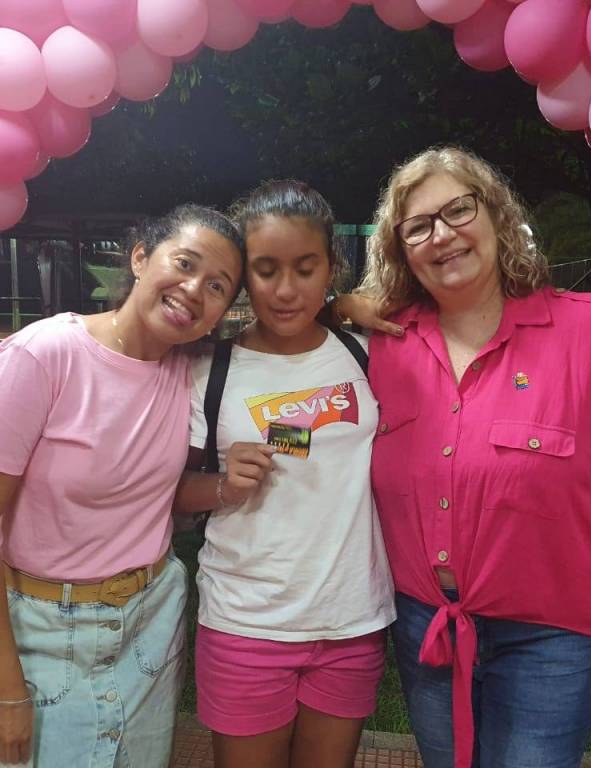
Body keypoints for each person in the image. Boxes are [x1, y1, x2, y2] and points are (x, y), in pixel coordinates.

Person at [335, 146, 591, 768]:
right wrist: (342, 303)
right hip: (427, 628)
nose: (442, 235)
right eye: (418, 227)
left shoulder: (585, 333)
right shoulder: (384, 345)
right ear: (401, 250)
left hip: (551, 642)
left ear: (496, 215)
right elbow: (299, 316)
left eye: (458, 210)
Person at [0, 205, 246, 767]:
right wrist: (7, 688)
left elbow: (154, 490)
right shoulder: (43, 356)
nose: (193, 290)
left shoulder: (189, 371)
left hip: (151, 620)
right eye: (184, 264)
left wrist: (225, 487)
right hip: (44, 631)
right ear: (140, 258)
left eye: (217, 286)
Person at [173, 180, 395, 768]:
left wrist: (347, 307)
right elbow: (166, 494)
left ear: (331, 268)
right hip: (245, 624)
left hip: (350, 622)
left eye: (305, 267)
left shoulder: (366, 353)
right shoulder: (209, 371)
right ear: (244, 276)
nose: (287, 289)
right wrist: (222, 486)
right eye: (267, 270)